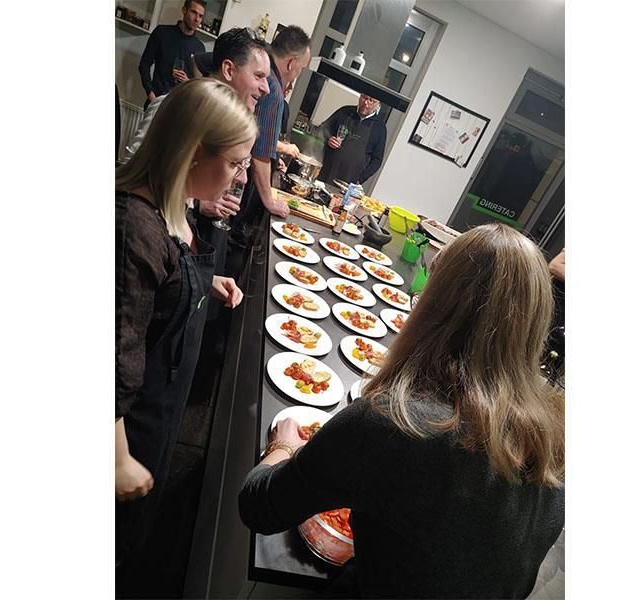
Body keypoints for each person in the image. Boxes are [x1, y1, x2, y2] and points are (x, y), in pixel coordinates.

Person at [239, 223, 565, 598]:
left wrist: (282, 446)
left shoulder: (395, 422)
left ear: (432, 305)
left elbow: (259, 506)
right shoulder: (556, 437)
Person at [115, 79, 257, 565]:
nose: (241, 177)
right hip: (129, 424)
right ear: (195, 153)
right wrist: (115, 459)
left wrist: (204, 283)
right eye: (237, 164)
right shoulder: (132, 228)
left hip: (160, 408)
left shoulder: (171, 201)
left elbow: (164, 280)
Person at [126, 27, 271, 225]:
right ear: (229, 70)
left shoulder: (229, 123)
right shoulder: (177, 105)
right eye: (259, 76)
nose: (267, 88)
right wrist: (197, 202)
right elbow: (133, 165)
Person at [234, 25, 312, 224]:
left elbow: (198, 61)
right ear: (292, 63)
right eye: (301, 69)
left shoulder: (253, 62)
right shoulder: (274, 90)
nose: (297, 74)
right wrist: (269, 201)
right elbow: (261, 152)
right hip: (238, 183)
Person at [138, 0, 207, 109]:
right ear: (184, 10)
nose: (197, 19)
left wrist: (187, 82)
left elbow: (198, 84)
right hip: (155, 101)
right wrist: (150, 93)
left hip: (179, 108)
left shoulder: (200, 48)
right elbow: (144, 64)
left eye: (200, 16)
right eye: (193, 12)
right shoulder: (161, 33)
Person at [319, 93, 388, 185]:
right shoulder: (345, 111)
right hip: (326, 170)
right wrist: (329, 138)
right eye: (364, 98)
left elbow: (377, 160)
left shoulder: (380, 127)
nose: (366, 103)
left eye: (371, 100)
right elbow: (323, 128)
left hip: (349, 180)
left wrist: (360, 179)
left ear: (378, 105)